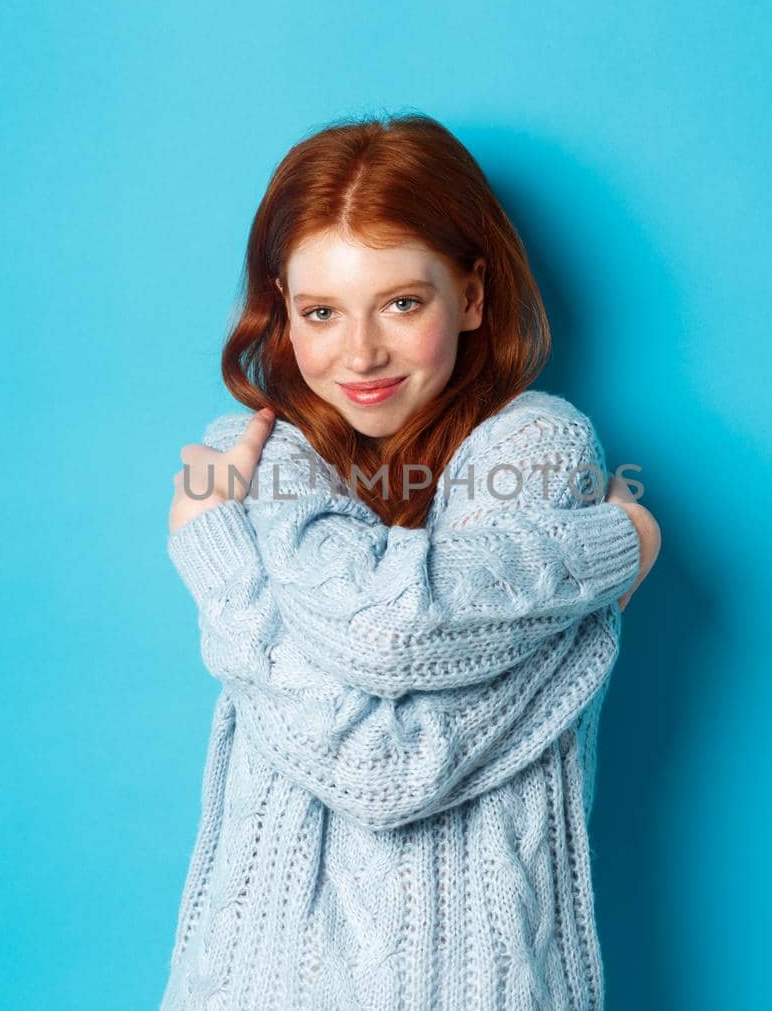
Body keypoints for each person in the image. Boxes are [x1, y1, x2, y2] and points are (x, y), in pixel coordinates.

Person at [161, 112, 661, 1010]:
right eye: (320, 312)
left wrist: (220, 558)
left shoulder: (538, 447)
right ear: (282, 308)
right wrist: (614, 547)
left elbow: (388, 742)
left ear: (471, 295)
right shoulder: (257, 451)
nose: (360, 354)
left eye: (402, 302)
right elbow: (398, 653)